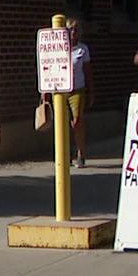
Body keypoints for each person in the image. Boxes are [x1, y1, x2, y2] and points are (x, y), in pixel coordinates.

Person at [41, 19, 93, 166]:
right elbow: (48, 68)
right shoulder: (57, 49)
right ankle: (65, 154)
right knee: (61, 122)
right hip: (59, 90)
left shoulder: (82, 49)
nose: (73, 33)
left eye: (76, 30)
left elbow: (88, 72)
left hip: (77, 89)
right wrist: (45, 91)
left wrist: (91, 92)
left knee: (76, 121)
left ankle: (80, 153)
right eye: (70, 30)